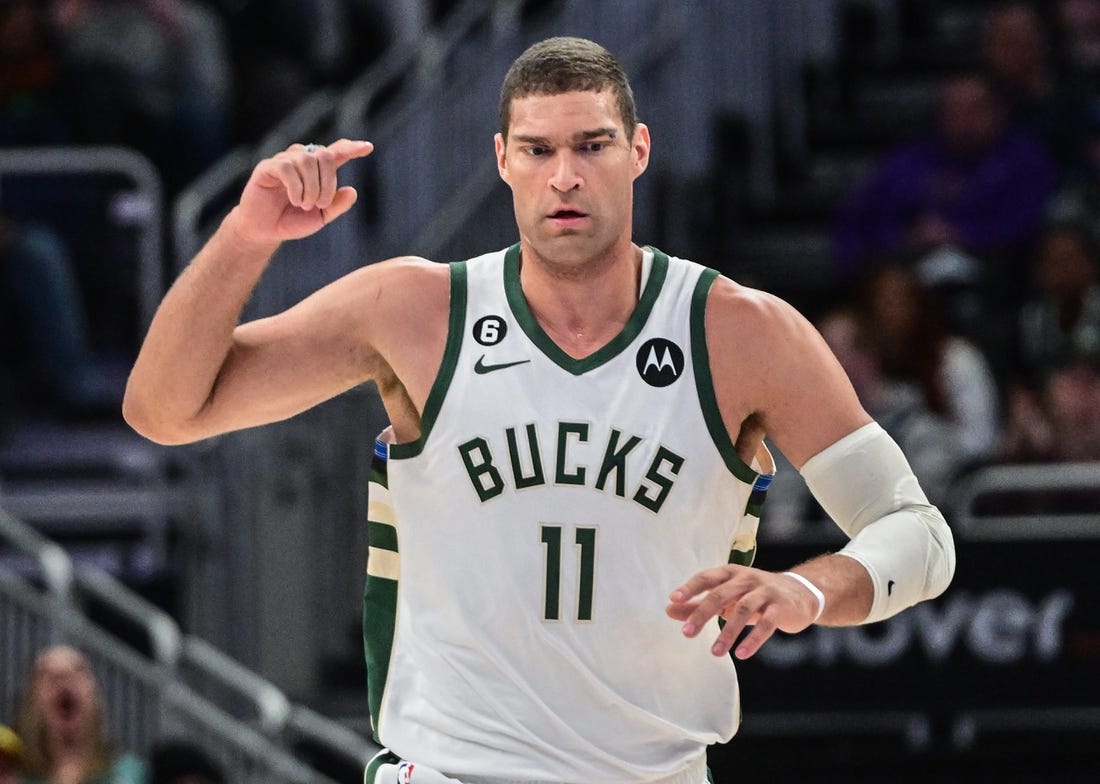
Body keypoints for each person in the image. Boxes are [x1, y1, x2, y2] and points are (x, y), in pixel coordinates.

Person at [123, 37, 956, 784]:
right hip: (449, 768)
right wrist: (247, 235)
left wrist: (807, 590)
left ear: (638, 150)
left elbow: (918, 532)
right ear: (502, 159)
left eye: (592, 145)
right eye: (539, 149)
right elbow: (164, 409)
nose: (565, 175)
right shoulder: (415, 310)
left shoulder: (742, 332)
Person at [15, 646, 148, 784]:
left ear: (95, 697)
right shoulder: (14, 776)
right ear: (33, 701)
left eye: (78, 670)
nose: (63, 679)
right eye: (46, 674)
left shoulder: (131, 774)